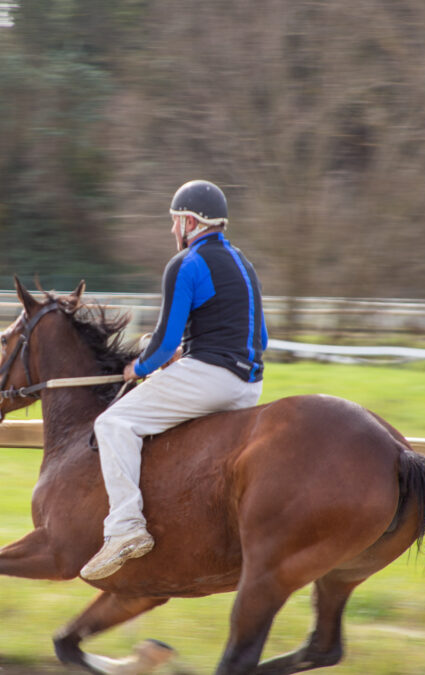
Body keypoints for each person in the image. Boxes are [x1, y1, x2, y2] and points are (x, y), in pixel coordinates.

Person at [80, 180, 268, 581]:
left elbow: (164, 342)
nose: (172, 231)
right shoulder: (244, 262)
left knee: (112, 422)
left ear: (189, 221)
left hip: (211, 378)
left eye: (173, 221)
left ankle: (126, 527)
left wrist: (139, 368)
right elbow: (259, 338)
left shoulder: (186, 264)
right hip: (249, 386)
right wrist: (191, 351)